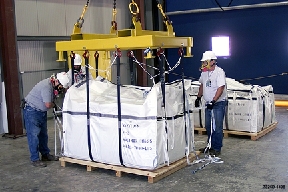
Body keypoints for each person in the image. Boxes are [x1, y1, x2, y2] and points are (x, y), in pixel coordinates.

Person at [23, 72, 70, 167]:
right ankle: (35, 159)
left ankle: (45, 154)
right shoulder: (47, 86)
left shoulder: (52, 85)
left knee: (43, 134)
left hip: (40, 112)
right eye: (60, 86)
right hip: (32, 111)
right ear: (56, 81)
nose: (60, 88)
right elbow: (48, 104)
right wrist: (54, 105)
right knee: (34, 135)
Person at [195, 51, 227, 156]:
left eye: (206, 61)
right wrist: (198, 97)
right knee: (208, 126)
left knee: (217, 127)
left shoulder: (219, 72)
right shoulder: (204, 72)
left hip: (218, 103)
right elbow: (202, 85)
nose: (204, 63)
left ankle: (217, 148)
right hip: (208, 103)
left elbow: (220, 88)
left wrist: (214, 101)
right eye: (203, 61)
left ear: (213, 61)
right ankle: (210, 145)